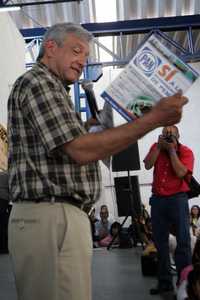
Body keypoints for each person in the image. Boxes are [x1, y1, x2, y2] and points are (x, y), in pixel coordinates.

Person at [7, 22, 188, 300]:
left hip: (61, 217)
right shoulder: (37, 82)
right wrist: (153, 119)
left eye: (86, 56)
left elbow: (75, 147)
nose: (82, 61)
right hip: (50, 217)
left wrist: (93, 127)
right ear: (50, 48)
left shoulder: (56, 92)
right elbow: (80, 150)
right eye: (76, 51)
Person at [144, 125, 194, 296]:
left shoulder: (186, 152)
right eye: (165, 133)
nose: (168, 136)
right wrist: (159, 147)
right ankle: (165, 282)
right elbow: (147, 165)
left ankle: (184, 283)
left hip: (178, 199)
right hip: (158, 200)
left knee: (183, 241)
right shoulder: (155, 147)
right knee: (160, 243)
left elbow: (181, 172)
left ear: (178, 136)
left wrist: (172, 151)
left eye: (171, 134)